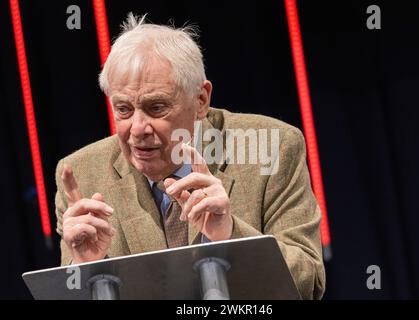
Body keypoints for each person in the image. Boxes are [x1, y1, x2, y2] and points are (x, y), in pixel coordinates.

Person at [54, 13, 325, 299]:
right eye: (123, 109)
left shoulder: (272, 148)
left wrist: (230, 235)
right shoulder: (82, 174)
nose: (138, 129)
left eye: (156, 107)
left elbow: (308, 282)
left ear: (200, 100)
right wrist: (87, 269)